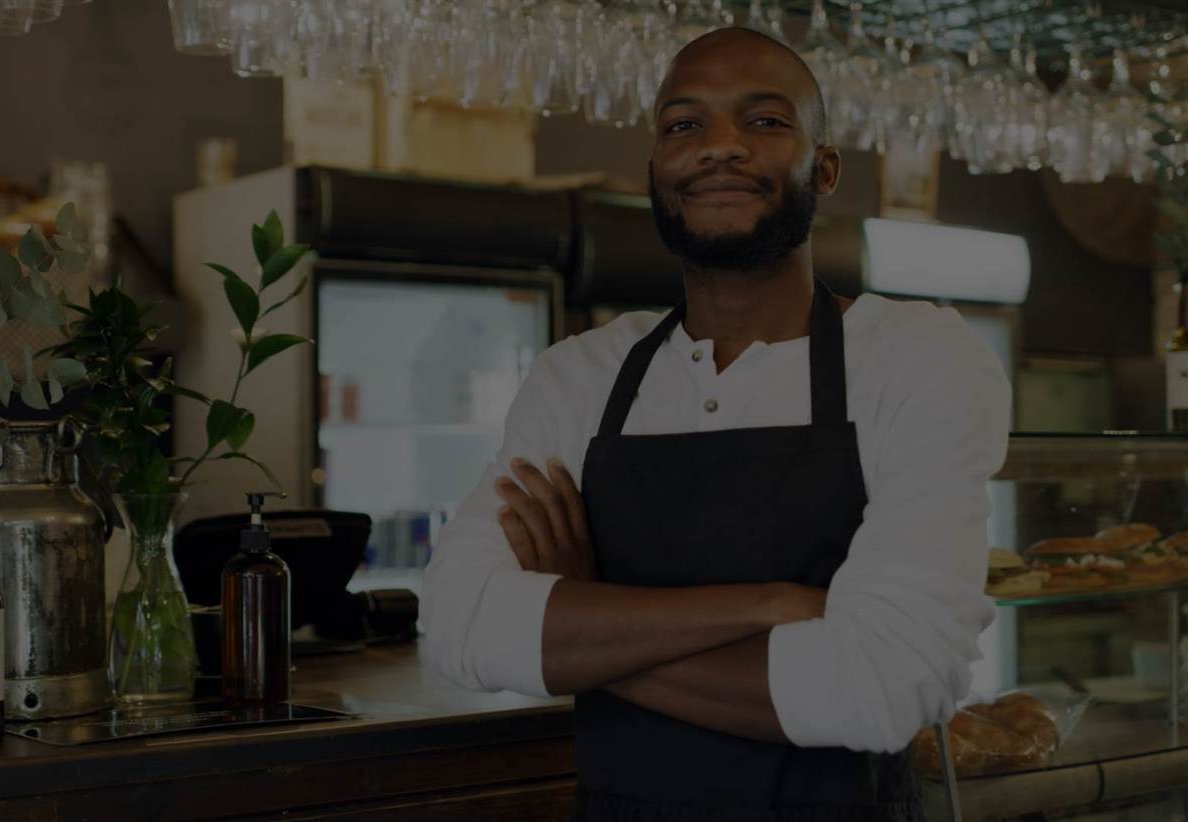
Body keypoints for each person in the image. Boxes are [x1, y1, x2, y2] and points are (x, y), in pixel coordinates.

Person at [421, 26, 1011, 821]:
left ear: (824, 168)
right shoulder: (580, 376)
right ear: (655, 171)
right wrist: (773, 603)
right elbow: (457, 627)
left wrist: (588, 619)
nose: (719, 146)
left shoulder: (914, 357)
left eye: (764, 120)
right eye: (683, 124)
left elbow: (883, 688)